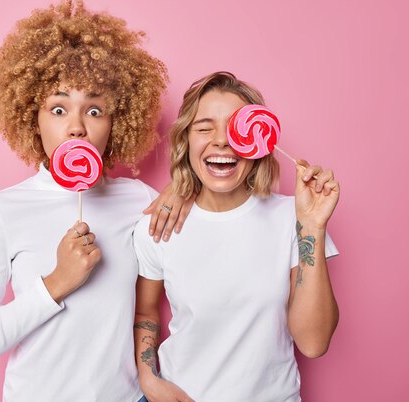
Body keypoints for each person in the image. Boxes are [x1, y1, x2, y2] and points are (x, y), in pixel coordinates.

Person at [0, 0, 190, 401]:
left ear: (117, 122)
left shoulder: (138, 200)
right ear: (32, 117)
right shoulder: (3, 209)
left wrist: (184, 188)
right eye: (59, 108)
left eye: (95, 110)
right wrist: (56, 283)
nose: (77, 127)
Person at [133, 71, 340, 402]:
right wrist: (148, 377)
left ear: (259, 140)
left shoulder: (293, 218)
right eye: (204, 128)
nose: (221, 140)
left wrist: (312, 225)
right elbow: (145, 312)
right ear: (186, 140)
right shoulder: (157, 227)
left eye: (234, 128)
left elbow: (314, 343)